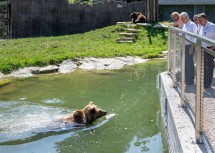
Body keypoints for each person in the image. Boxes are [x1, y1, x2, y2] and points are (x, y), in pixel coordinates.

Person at [198, 13, 215, 88]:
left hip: (210, 48)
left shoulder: (212, 26)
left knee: (209, 66)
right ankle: (205, 82)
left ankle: (208, 83)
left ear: (204, 19)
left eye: (200, 20)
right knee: (204, 66)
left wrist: (214, 46)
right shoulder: (201, 26)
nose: (199, 22)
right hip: (203, 48)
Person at [180, 12, 198, 85]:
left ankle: (190, 80)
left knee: (189, 63)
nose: (181, 20)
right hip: (184, 46)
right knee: (184, 63)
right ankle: (186, 79)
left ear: (186, 17)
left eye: (182, 18)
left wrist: (192, 47)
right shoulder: (185, 25)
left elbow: (195, 37)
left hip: (189, 46)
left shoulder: (192, 25)